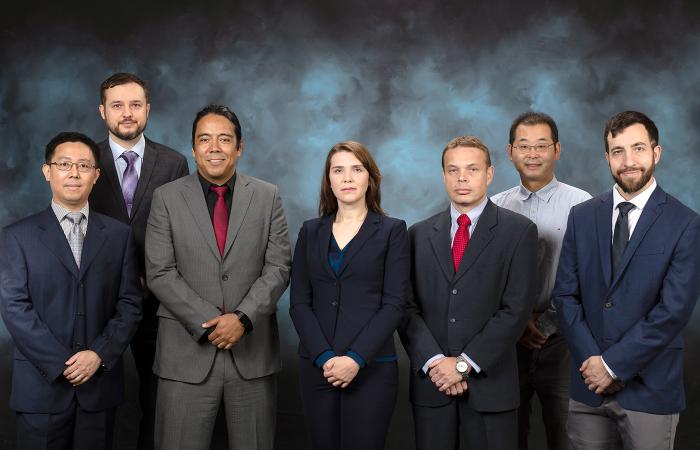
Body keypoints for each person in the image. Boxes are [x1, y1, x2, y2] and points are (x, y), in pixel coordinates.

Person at [145, 104, 291, 450]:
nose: (214, 148)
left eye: (224, 139)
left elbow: (279, 267)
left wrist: (241, 318)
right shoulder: (166, 198)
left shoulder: (268, 196)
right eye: (205, 139)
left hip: (251, 355)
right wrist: (210, 322)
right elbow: (160, 272)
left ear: (239, 147)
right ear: (193, 148)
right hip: (185, 356)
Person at [553, 110, 700, 449]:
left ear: (656, 153)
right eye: (618, 151)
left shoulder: (685, 223)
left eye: (638, 148)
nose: (628, 160)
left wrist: (613, 365)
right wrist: (593, 362)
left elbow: (673, 310)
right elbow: (565, 296)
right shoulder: (582, 215)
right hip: (587, 385)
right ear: (607, 157)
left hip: (649, 387)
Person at [0, 132, 142, 450]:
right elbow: (14, 308)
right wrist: (63, 363)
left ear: (96, 175)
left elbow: (130, 304)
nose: (74, 173)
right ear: (47, 171)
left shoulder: (119, 236)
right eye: (64, 164)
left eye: (83, 165)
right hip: (41, 389)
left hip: (99, 388)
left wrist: (99, 355)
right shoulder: (17, 237)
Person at [400, 135, 538, 449]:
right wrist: (436, 363)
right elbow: (406, 308)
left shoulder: (518, 232)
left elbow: (515, 310)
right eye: (453, 170)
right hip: (432, 385)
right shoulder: (417, 235)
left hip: (491, 386)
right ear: (444, 175)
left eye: (472, 169)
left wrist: (463, 364)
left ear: (489, 174)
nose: (462, 178)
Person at [89, 72, 189, 450]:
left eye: (135, 104)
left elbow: (181, 229)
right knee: (97, 392)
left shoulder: (174, 163)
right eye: (117, 105)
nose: (126, 113)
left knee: (158, 394)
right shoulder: (86, 159)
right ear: (103, 111)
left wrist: (154, 278)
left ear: (147, 108)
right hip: (99, 299)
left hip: (156, 298)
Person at [289, 141, 409, 450]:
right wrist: (325, 357)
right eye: (338, 170)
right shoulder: (310, 231)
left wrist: (355, 359)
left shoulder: (392, 231)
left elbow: (394, 304)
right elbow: (300, 302)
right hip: (318, 368)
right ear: (328, 180)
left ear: (370, 177)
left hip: (372, 367)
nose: (347, 178)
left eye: (357, 169)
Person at [491, 112, 591, 450]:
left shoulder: (583, 205)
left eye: (541, 146)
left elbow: (589, 279)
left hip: (564, 342)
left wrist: (547, 323)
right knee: (507, 435)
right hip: (506, 343)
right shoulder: (494, 207)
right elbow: (486, 279)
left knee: (566, 436)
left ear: (557, 149)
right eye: (524, 146)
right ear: (510, 151)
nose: (532, 154)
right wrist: (514, 323)